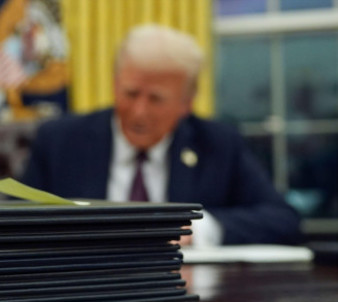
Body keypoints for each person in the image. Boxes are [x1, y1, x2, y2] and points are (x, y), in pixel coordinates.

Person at [21, 24, 302, 246]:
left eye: (156, 99)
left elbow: (283, 220)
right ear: (115, 84)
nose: (139, 112)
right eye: (130, 93)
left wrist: (201, 228)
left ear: (186, 102)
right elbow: (14, 223)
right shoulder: (60, 140)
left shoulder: (218, 143)